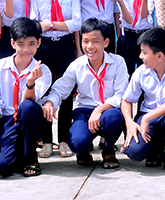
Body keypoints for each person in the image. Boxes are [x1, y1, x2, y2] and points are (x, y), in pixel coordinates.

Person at [43, 18, 128, 168]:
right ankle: (84, 151)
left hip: (108, 110)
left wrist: (100, 109)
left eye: (95, 41)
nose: (89, 46)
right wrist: (50, 102)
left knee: (114, 118)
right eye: (85, 41)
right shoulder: (77, 65)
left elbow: (120, 95)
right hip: (84, 111)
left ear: (106, 42)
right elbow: (60, 89)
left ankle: (108, 149)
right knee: (77, 142)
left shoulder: (118, 62)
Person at [0, 18, 52, 177]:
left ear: (39, 43)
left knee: (27, 107)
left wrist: (30, 83)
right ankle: (19, 152)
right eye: (21, 44)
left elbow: (29, 102)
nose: (26, 49)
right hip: (8, 120)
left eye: (31, 44)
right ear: (12, 43)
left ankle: (31, 159)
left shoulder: (43, 70)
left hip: (30, 120)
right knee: (1, 168)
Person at [30, 0, 82, 159]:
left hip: (65, 46)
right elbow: (34, 24)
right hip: (44, 47)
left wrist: (50, 24)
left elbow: (76, 23)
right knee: (44, 91)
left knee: (66, 91)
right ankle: (46, 140)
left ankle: (63, 140)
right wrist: (56, 25)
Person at [121, 27, 165, 175]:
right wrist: (130, 123)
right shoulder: (141, 72)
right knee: (135, 153)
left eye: (144, 53)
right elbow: (126, 100)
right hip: (148, 117)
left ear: (159, 56)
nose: (140, 56)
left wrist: (147, 117)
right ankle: (154, 150)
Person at [110, 0, 155, 75]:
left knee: (146, 73)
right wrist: (120, 2)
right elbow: (129, 20)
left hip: (146, 36)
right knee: (125, 73)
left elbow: (144, 15)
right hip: (127, 37)